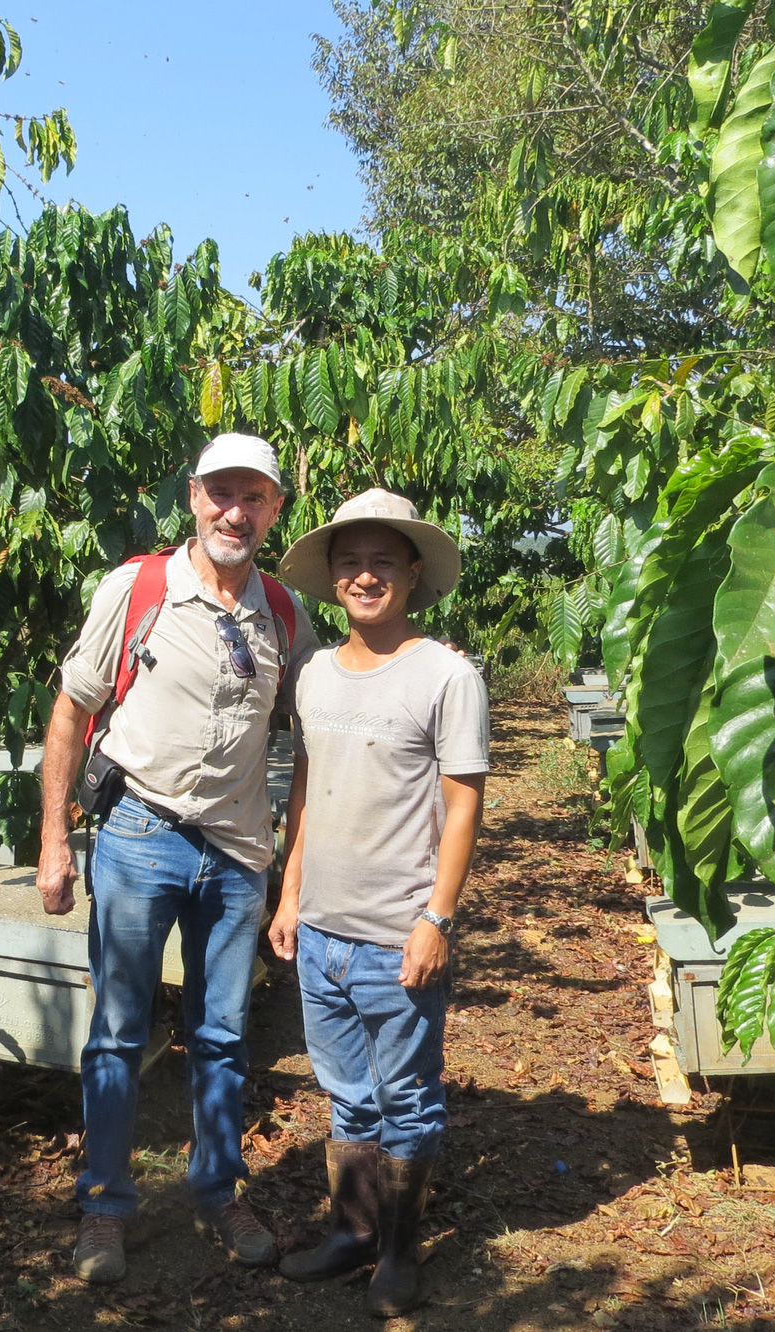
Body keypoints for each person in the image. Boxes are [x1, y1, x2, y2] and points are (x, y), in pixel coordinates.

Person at [37, 433, 321, 1285]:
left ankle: (219, 1191)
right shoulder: (139, 588)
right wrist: (54, 839)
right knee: (119, 1034)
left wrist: (294, 870)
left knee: (224, 1036)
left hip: (237, 853)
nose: (236, 512)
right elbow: (70, 710)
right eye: (221, 495)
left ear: (275, 509)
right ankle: (105, 1208)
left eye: (256, 498)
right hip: (138, 838)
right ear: (194, 497)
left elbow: (320, 726)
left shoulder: (282, 609)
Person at [267, 488, 488, 1317]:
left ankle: (400, 1251)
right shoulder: (315, 674)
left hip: (399, 937)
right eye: (351, 562)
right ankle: (353, 1231)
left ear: (413, 573)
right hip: (321, 932)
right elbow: (307, 792)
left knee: (407, 1098)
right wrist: (290, 897)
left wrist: (436, 919)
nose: (366, 576)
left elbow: (463, 803)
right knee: (347, 1095)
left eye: (382, 562)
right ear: (332, 578)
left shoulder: (446, 676)